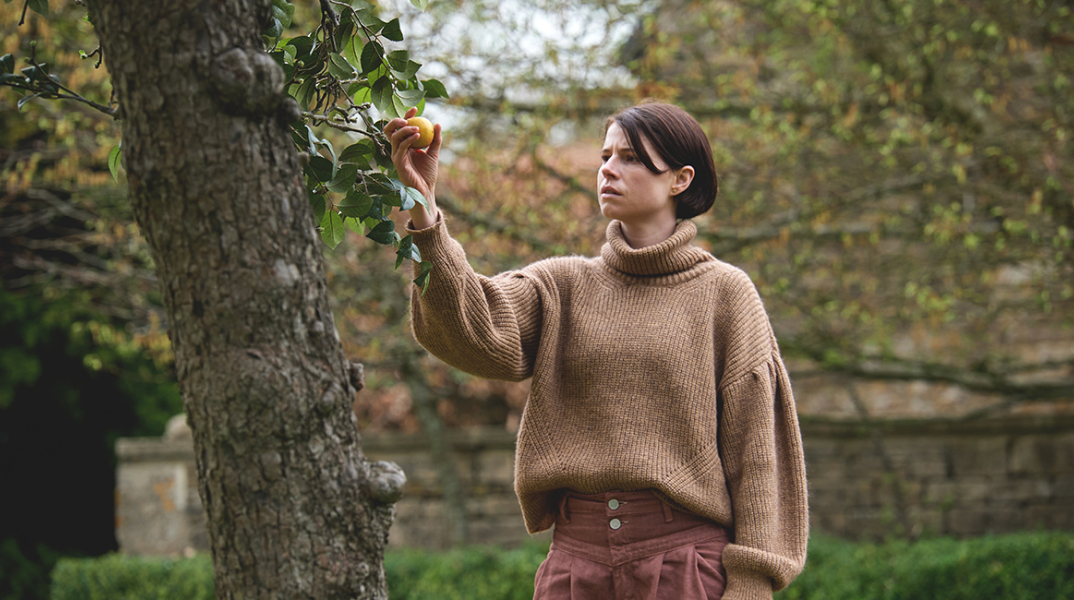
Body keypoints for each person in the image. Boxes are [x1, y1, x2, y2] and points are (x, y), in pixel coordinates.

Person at [384, 101, 808, 600]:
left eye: (630, 157)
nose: (608, 168)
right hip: (574, 570)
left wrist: (752, 586)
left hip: (686, 571)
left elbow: (759, 455)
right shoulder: (561, 284)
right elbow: (468, 331)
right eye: (605, 156)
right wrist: (424, 206)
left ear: (680, 179)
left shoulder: (725, 294)